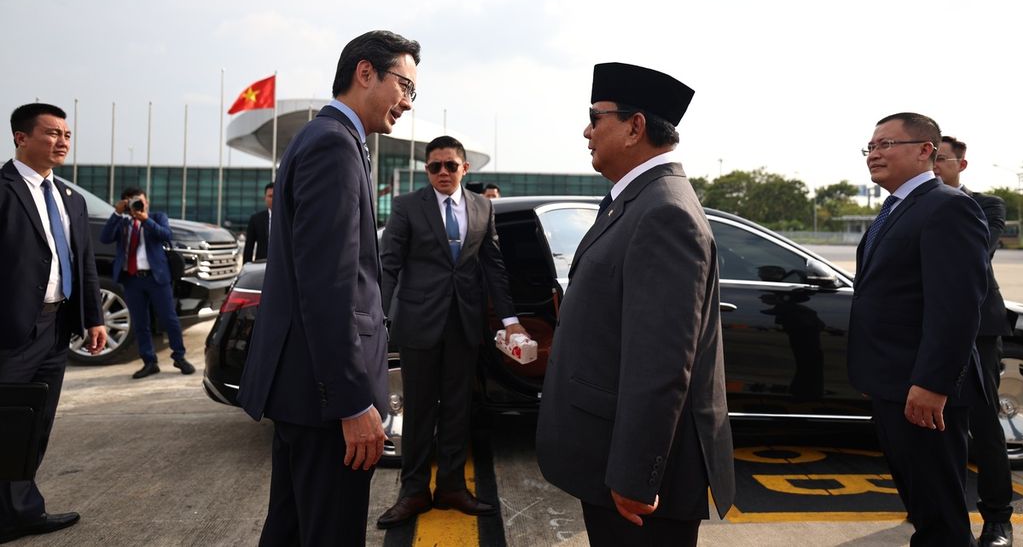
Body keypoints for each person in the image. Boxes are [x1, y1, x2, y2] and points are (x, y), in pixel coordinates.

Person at [535, 63, 735, 547]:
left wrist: (634, 474)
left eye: (596, 117)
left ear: (635, 126)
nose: (587, 130)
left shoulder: (664, 211)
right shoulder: (634, 198)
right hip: (612, 461)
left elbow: (662, 363)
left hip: (641, 485)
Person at [237, 30, 419, 545]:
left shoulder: (325, 138)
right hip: (324, 399)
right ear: (366, 73)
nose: (406, 102)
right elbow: (330, 287)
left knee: (293, 529)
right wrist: (351, 401)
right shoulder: (334, 146)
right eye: (404, 85)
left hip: (306, 391)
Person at [848, 113, 989, 546]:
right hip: (894, 386)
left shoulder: (948, 207)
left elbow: (957, 307)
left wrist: (932, 382)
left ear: (926, 150)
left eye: (886, 144)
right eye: (870, 147)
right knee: (923, 509)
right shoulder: (896, 208)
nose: (874, 154)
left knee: (941, 518)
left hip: (923, 393)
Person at [376, 136, 527, 528]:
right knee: (420, 411)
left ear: (465, 169)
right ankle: (413, 492)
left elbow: (493, 266)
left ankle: (452, 487)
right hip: (417, 324)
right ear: (427, 170)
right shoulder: (408, 206)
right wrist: (377, 315)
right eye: (434, 167)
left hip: (464, 323)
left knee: (459, 409)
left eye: (450, 165)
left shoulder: (482, 207)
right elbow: (389, 263)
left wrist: (510, 322)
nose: (442, 172)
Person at [0, 103, 107, 542]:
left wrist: (93, 318)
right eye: (51, 133)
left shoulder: (70, 198)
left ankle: (23, 511)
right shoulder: (4, 189)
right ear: (21, 138)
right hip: (10, 330)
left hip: (56, 326)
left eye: (66, 134)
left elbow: (82, 263)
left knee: (36, 423)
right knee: (5, 423)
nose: (62, 141)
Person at [933, 135, 1013, 547]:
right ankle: (939, 516)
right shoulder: (907, 206)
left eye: (941, 159)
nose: (933, 166)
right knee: (935, 428)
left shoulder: (986, 205)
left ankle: (998, 519)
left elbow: (975, 253)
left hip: (977, 329)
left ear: (961, 165)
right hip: (927, 328)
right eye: (929, 157)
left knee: (983, 425)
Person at [100, 186, 195, 379]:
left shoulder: (158, 217)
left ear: (146, 201)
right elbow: (105, 238)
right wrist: (117, 214)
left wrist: (146, 220)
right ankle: (149, 362)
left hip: (156, 278)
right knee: (141, 323)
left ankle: (180, 357)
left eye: (139, 200)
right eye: (130, 201)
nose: (136, 204)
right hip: (131, 279)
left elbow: (166, 235)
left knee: (169, 319)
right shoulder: (122, 222)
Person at [243, 182, 273, 262]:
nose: (273, 199)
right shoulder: (256, 219)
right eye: (270, 196)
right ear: (265, 198)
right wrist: (246, 267)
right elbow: (249, 247)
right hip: (261, 263)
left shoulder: (288, 218)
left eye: (276, 196)